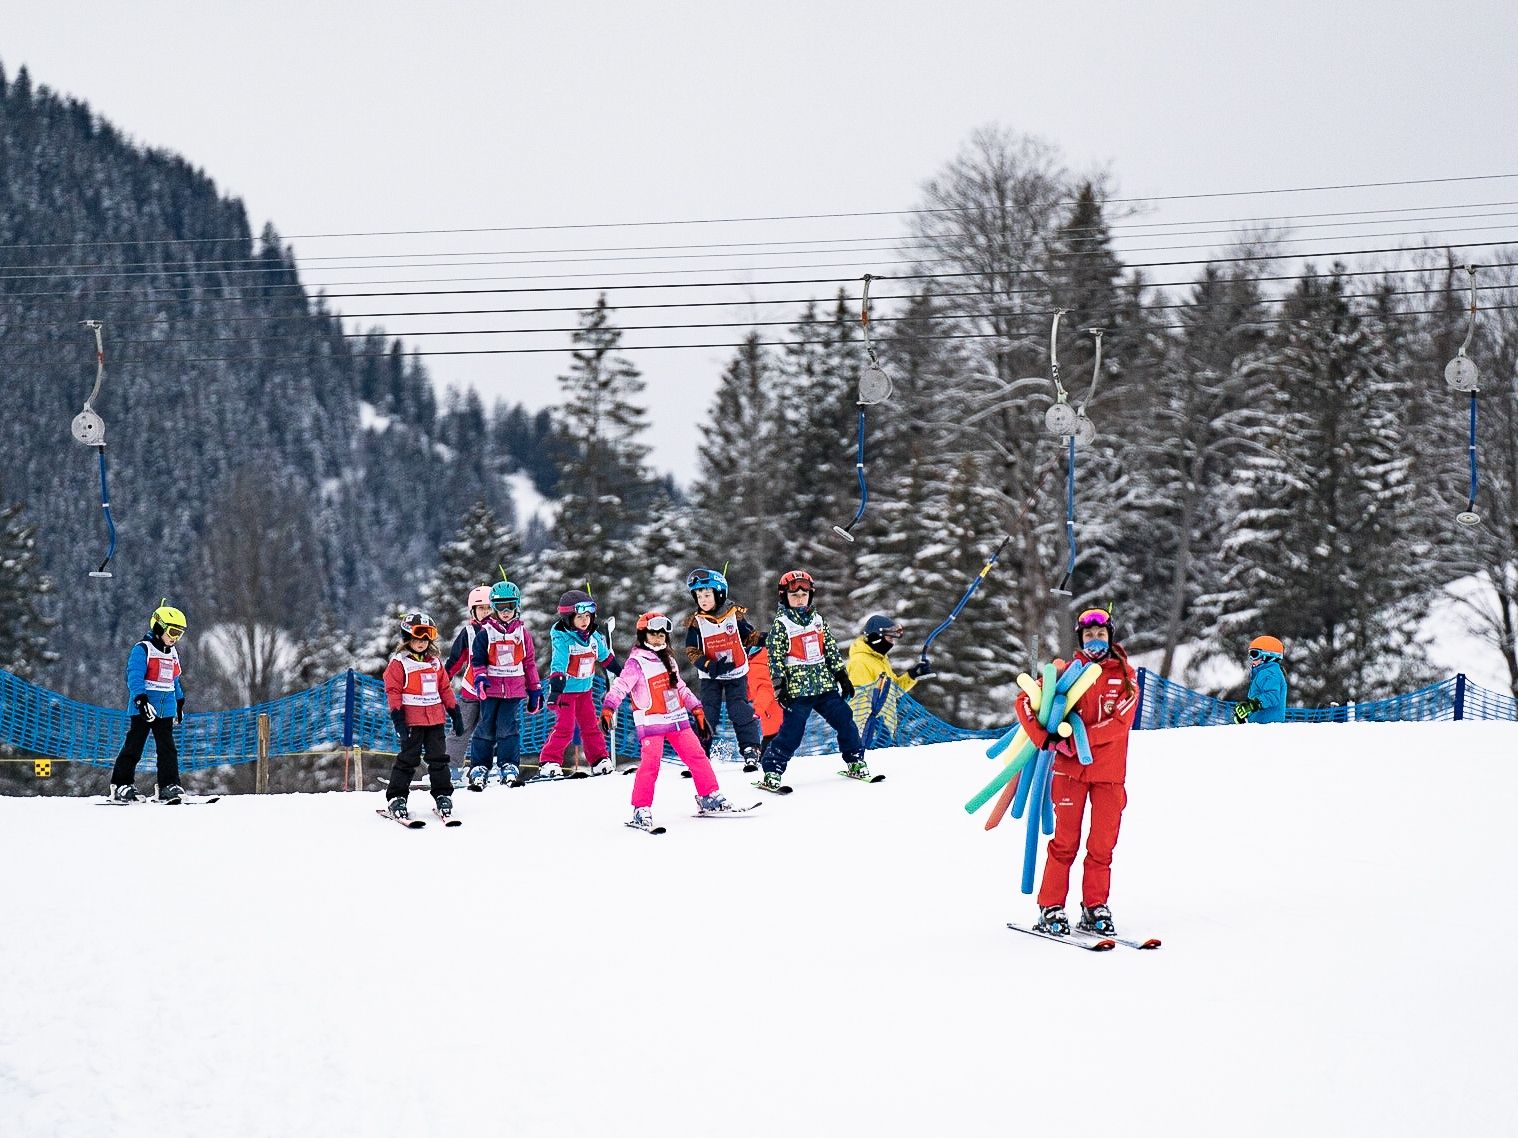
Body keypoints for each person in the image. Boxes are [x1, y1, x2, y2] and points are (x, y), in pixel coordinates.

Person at [1029, 605, 1140, 938]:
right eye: (1089, 635)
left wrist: (1075, 740)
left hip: (1108, 774)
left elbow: (1120, 724)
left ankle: (1095, 907)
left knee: (1102, 846)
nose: (1095, 640)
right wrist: (1045, 737)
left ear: (1110, 637)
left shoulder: (1125, 676)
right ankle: (1051, 908)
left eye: (1101, 634)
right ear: (1080, 638)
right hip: (1069, 774)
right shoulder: (1067, 671)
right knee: (1064, 843)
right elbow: (1025, 701)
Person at [602, 611, 735, 831]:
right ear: (643, 635)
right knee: (651, 765)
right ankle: (641, 808)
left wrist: (697, 710)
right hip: (651, 722)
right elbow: (620, 686)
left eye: (662, 635)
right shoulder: (636, 663)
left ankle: (709, 795)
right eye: (654, 634)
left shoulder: (669, 659)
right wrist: (608, 708)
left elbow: (680, 688)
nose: (658, 639)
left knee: (697, 756)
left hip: (677, 720)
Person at [757, 569, 867, 791]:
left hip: (824, 686)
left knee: (845, 718)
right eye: (794, 595)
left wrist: (841, 675)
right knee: (792, 733)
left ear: (810, 595)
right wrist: (780, 688)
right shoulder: (782, 624)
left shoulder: (818, 620)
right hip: (797, 691)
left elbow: (830, 650)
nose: (799, 599)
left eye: (804, 595)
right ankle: (772, 770)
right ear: (784, 597)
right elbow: (775, 659)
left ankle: (855, 759)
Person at [383, 612, 464, 821]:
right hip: (412, 721)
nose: (422, 643)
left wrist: (455, 712)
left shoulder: (435, 663)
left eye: (426, 638)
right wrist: (398, 718)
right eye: (418, 638)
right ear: (407, 638)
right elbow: (393, 692)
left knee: (438, 759)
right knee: (408, 760)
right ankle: (397, 798)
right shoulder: (399, 663)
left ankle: (443, 795)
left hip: (435, 720)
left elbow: (445, 688)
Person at [683, 567, 764, 769]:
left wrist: (768, 638)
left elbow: (750, 636)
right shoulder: (696, 622)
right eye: (699, 595)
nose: (702, 600)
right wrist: (710, 665)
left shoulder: (733, 615)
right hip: (711, 676)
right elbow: (692, 650)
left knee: (739, 709)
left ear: (719, 594)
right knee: (708, 712)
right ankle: (700, 754)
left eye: (707, 595)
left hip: (736, 673)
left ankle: (750, 749)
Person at [109, 602, 190, 803]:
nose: (175, 637)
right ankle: (121, 784)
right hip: (145, 708)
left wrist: (179, 702)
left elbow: (174, 680)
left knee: (167, 748)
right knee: (134, 745)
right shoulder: (143, 649)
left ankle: (168, 785)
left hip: (166, 708)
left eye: (179, 633)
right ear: (159, 627)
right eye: (172, 631)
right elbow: (134, 676)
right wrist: (141, 700)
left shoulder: (172, 653)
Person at [466, 580, 543, 788]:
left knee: (507, 727)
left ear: (516, 606)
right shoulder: (486, 632)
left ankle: (508, 764)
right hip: (491, 690)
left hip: (514, 689)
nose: (506, 611)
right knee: (486, 726)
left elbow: (529, 662)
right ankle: (479, 766)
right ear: (493, 607)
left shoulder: (522, 633)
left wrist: (534, 689)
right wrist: (480, 678)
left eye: (510, 606)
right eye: (501, 607)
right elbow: (478, 661)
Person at [539, 589, 619, 778]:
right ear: (568, 618)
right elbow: (558, 665)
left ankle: (599, 760)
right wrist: (555, 692)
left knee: (591, 726)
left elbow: (606, 658)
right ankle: (549, 761)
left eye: (587, 616)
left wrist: (623, 674)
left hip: (585, 691)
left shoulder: (593, 637)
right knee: (565, 728)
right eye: (579, 617)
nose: (585, 621)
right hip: (566, 692)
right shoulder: (563, 639)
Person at [845, 614, 934, 746]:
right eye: (890, 638)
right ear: (876, 637)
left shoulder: (880, 660)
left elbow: (891, 691)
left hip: (885, 731)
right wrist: (872, 730)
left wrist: (913, 675)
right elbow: (859, 701)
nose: (892, 643)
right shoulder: (860, 662)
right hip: (869, 735)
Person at [442, 585, 492, 775]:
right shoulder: (469, 632)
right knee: (460, 728)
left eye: (489, 608)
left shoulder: (504, 631)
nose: (486, 612)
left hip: (494, 692)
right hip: (471, 691)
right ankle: (451, 767)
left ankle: (487, 766)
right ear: (473, 611)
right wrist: (443, 681)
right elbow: (455, 660)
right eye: (481, 608)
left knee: (490, 731)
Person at [1234, 636, 1288, 724]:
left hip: (1269, 725)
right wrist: (1245, 714)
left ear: (1269, 656)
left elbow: (1272, 696)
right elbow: (1258, 698)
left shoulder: (1270, 673)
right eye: (1250, 654)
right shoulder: (1262, 673)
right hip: (1260, 724)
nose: (1251, 658)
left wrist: (1251, 705)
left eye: (1254, 654)